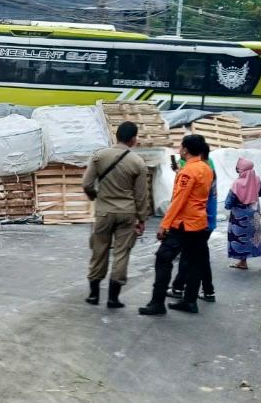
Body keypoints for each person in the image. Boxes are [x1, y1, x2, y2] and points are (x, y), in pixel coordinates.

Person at [139, 134, 213, 316]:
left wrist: (164, 224)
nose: (179, 150)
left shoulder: (188, 171)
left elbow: (179, 200)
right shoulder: (206, 168)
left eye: (181, 147)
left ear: (186, 150)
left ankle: (157, 302)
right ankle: (190, 301)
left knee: (163, 258)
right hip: (199, 223)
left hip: (184, 224)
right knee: (195, 262)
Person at [82, 121, 149, 308]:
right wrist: (142, 219)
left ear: (117, 135)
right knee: (121, 253)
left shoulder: (99, 156)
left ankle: (94, 295)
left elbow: (87, 184)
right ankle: (113, 298)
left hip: (103, 212)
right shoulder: (137, 162)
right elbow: (141, 195)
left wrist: (95, 197)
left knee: (99, 251)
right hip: (127, 213)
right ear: (133, 139)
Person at [168, 143, 217, 302]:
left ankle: (179, 289)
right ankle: (207, 291)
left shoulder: (199, 169)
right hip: (206, 219)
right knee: (199, 257)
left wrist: (166, 223)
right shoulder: (208, 169)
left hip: (199, 220)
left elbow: (182, 198)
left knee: (188, 257)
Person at [225, 158, 261, 270]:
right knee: (255, 235)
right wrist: (251, 193)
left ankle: (243, 262)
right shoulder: (256, 179)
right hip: (254, 212)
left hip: (239, 216)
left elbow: (228, 203)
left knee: (240, 238)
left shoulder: (237, 183)